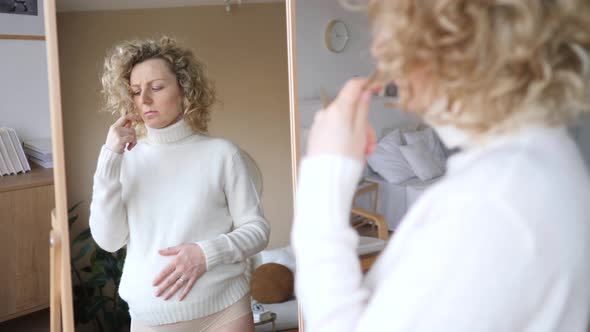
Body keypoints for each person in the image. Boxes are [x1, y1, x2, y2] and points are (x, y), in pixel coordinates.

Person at [292, 1, 590, 331]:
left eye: (397, 33)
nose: (378, 50)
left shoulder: (490, 204)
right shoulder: (542, 160)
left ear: (458, 41)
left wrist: (323, 174)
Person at [89, 36, 269, 332]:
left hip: (225, 311)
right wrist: (110, 158)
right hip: (151, 319)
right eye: (136, 91)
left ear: (185, 90)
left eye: (156, 87)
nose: (144, 99)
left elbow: (257, 230)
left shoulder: (222, 153)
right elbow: (109, 240)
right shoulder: (124, 160)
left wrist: (206, 254)